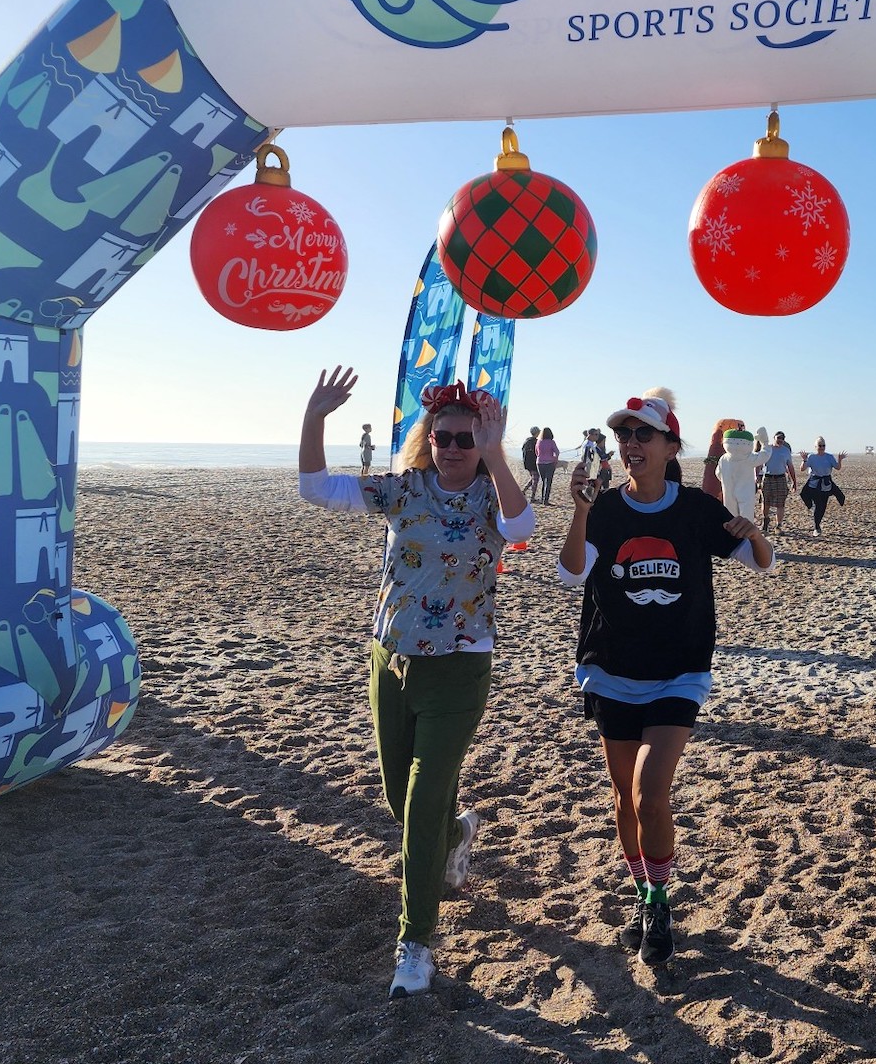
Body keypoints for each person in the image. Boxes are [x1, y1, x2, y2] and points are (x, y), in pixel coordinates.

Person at [296, 368, 533, 999]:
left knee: (423, 803)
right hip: (390, 661)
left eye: (464, 439)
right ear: (427, 439)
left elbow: (522, 528)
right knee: (402, 802)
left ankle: (417, 942)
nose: (453, 449)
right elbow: (315, 487)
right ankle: (457, 836)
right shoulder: (403, 489)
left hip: (457, 668)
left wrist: (496, 451)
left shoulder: (490, 495)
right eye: (443, 438)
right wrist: (316, 416)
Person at [557, 390, 774, 967]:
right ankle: (642, 895)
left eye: (644, 436)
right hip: (611, 668)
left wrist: (754, 532)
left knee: (650, 793)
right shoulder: (603, 509)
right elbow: (568, 575)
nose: (632, 445)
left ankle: (659, 901)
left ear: (670, 446)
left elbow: (759, 562)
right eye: (625, 437)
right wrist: (580, 510)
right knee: (622, 801)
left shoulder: (696, 510)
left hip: (679, 670)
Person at [798, 436, 845, 537]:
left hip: (826, 484)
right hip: (814, 485)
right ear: (815, 446)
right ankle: (816, 527)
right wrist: (804, 460)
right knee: (814, 503)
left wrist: (840, 460)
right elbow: (802, 469)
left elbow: (837, 467)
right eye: (820, 445)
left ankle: (817, 524)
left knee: (822, 507)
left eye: (823, 445)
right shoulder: (811, 457)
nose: (822, 447)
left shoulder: (829, 456)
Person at [759, 430, 797, 536]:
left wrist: (794, 481)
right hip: (767, 478)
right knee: (766, 502)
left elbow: (790, 467)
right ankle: (765, 521)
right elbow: (759, 464)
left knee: (780, 504)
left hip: (781, 479)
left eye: (782, 438)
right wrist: (756, 478)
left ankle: (778, 526)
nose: (780, 440)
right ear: (774, 438)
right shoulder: (767, 449)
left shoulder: (786, 451)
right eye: (778, 438)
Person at [535, 427, 560, 505]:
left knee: (543, 481)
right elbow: (557, 452)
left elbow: (536, 452)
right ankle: (545, 500)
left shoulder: (539, 442)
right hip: (549, 462)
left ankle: (543, 499)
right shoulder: (551, 442)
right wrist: (555, 459)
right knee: (548, 482)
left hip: (539, 462)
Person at [521, 426, 540, 501]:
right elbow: (537, 452)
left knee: (533, 478)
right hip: (533, 463)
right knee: (535, 479)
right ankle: (532, 497)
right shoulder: (535, 442)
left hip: (527, 463)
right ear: (537, 433)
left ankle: (523, 491)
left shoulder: (526, 441)